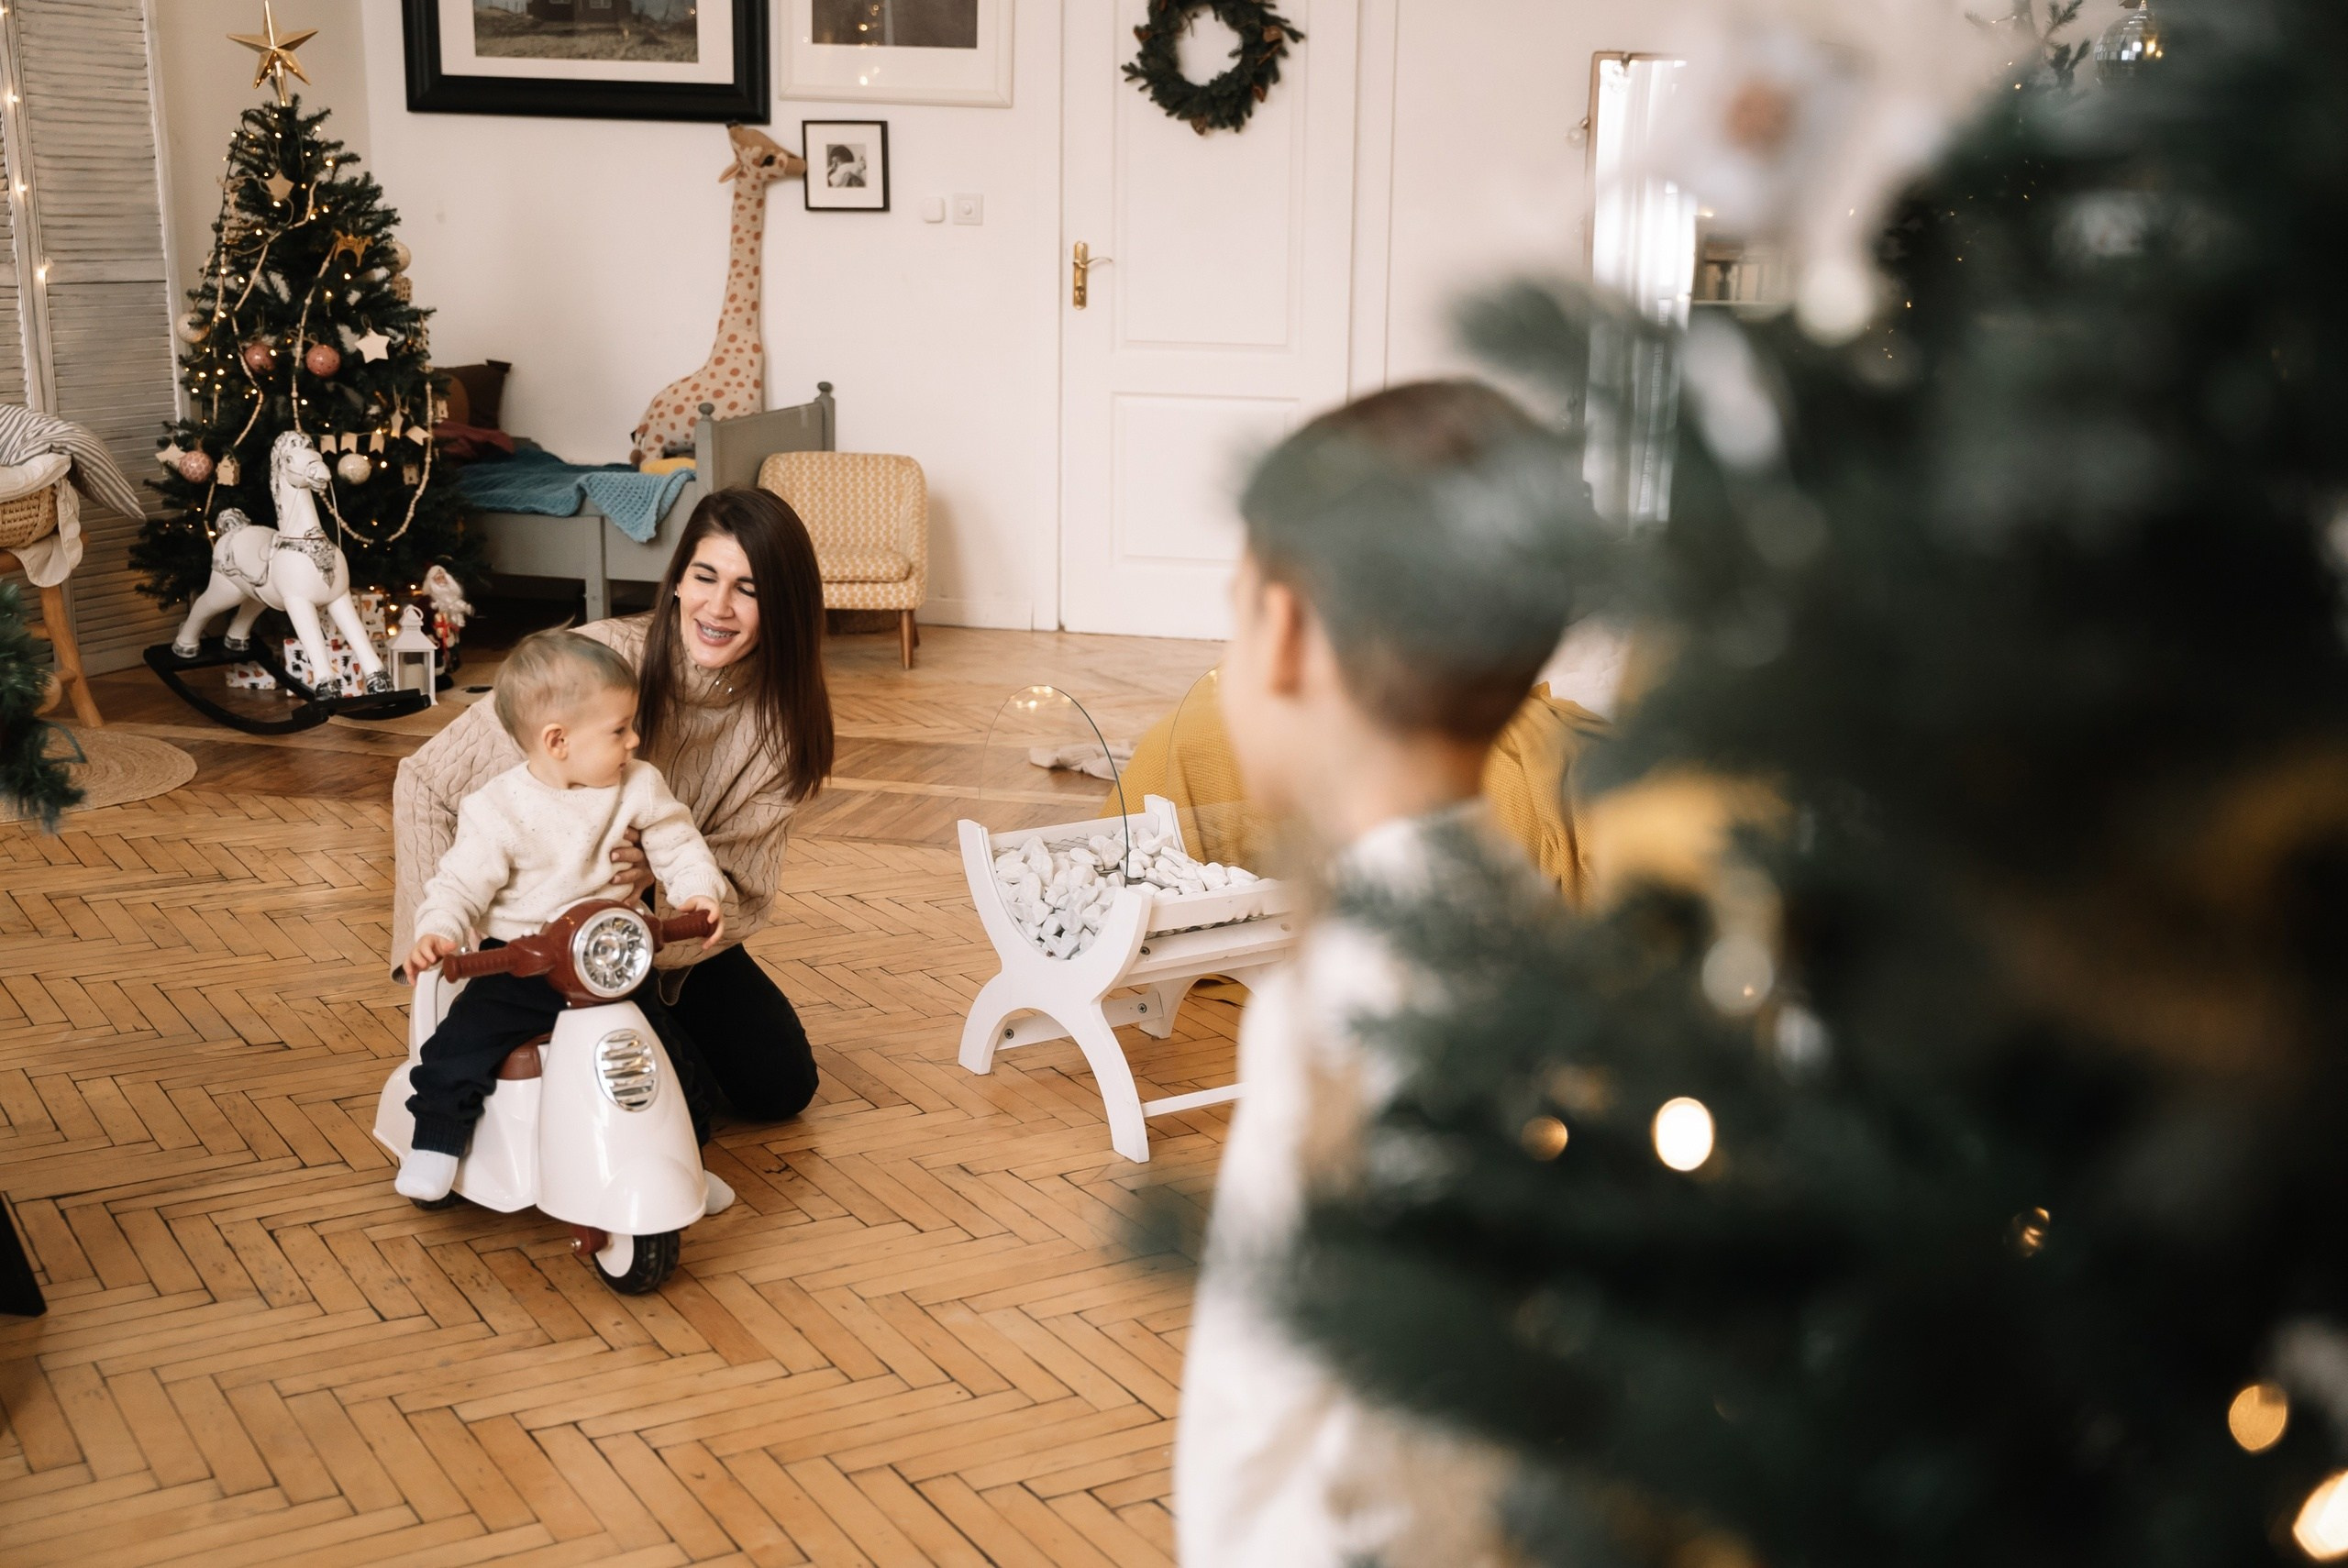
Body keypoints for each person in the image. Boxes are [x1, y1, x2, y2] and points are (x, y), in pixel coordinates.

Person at [1174, 381, 1583, 1567]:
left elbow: (1286, 1371)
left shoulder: (1351, 981)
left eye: (1233, 615)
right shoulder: (1516, 915)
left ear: (1289, 632)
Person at [392, 488, 834, 1137]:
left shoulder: (783, 725)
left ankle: (634, 1038)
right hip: (529, 939)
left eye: (749, 589)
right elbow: (426, 781)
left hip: (660, 938)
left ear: (783, 604)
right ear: (678, 580)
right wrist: (441, 950)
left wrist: (660, 890)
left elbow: (743, 891)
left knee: (780, 1088)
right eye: (704, 576)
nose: (718, 606)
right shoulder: (595, 662)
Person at [398, 628, 728, 1202]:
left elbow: (677, 840)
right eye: (619, 730)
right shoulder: (497, 808)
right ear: (558, 740)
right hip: (520, 970)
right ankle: (436, 1142)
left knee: (671, 1066)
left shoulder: (639, 784)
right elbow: (459, 883)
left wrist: (698, 892)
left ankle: (688, 1159)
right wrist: (439, 931)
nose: (634, 741)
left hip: (611, 967)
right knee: (457, 1051)